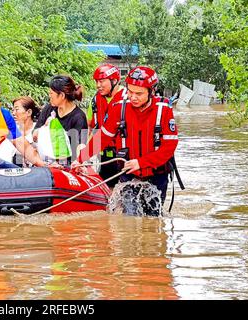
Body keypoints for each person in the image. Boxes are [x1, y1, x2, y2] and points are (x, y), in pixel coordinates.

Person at [73, 66, 180, 215]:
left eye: (139, 93)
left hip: (157, 175)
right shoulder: (119, 109)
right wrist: (80, 159)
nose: (133, 97)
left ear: (151, 91)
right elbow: (101, 139)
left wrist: (141, 163)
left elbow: (169, 147)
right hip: (128, 173)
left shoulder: (163, 110)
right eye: (130, 92)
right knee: (129, 217)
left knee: (153, 219)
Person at [33, 75, 88, 166]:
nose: (49, 96)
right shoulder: (49, 109)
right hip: (46, 163)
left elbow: (80, 144)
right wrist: (45, 126)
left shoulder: (79, 117)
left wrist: (79, 161)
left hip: (67, 165)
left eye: (51, 93)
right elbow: (34, 136)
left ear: (62, 95)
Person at [87, 64, 127, 187]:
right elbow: (89, 127)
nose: (98, 85)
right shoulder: (95, 100)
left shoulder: (129, 98)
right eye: (96, 82)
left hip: (125, 157)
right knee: (108, 195)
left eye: (102, 81)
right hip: (104, 157)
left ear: (114, 80)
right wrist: (83, 157)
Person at [11, 96, 40, 167]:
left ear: (29, 112)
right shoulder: (12, 130)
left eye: (17, 109)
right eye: (13, 110)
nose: (13, 113)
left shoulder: (38, 131)